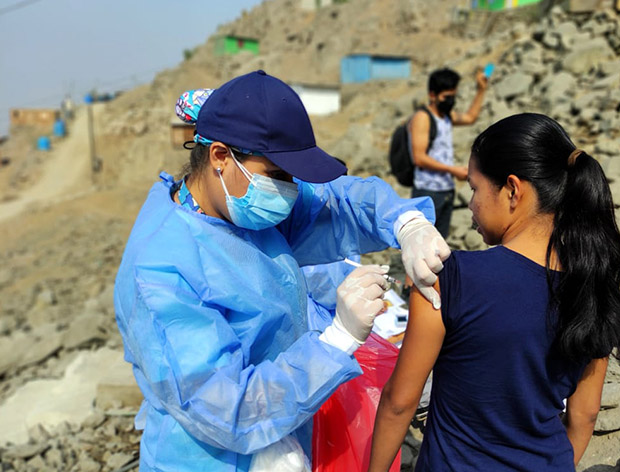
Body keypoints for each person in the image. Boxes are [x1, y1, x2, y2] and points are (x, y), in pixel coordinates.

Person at [113, 70, 451, 472]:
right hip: (214, 456)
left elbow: (337, 201)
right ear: (220, 156)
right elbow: (227, 408)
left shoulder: (245, 206)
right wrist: (336, 340)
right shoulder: (163, 271)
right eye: (277, 175)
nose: (289, 189)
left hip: (284, 424)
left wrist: (406, 223)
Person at [369, 113, 620, 472]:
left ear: (512, 190)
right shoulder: (593, 285)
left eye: (475, 189)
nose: (470, 206)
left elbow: (400, 402)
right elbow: (584, 414)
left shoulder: (449, 280)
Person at [409, 67, 488, 239]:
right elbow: (419, 157)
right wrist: (453, 170)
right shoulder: (422, 118)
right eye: (446, 97)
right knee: (422, 242)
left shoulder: (446, 116)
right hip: (427, 191)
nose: (450, 101)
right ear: (432, 95)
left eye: (453, 96)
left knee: (438, 242)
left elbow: (470, 117)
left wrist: (481, 90)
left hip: (445, 191)